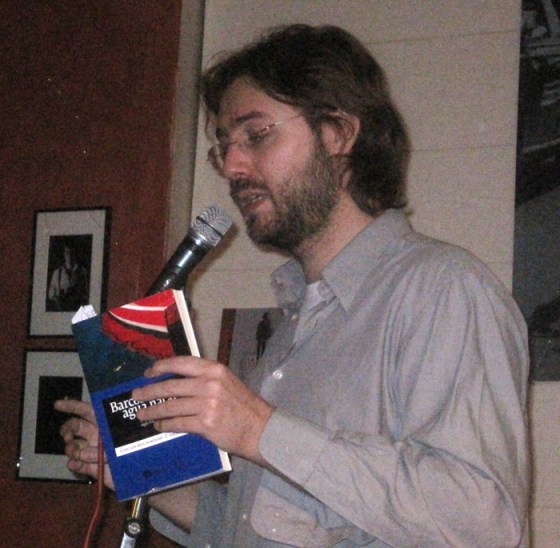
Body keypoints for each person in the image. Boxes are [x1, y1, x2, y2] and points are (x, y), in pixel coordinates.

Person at [56, 24, 530, 546]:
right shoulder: (295, 324)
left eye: (256, 135)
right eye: (224, 147)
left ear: (338, 133)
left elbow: (483, 522)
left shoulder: (444, 291)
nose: (232, 167)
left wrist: (258, 429)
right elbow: (246, 529)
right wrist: (138, 472)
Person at [47, 243, 89, 311]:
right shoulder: (57, 273)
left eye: (71, 253)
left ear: (74, 254)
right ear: (64, 254)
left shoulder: (82, 272)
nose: (69, 255)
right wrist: (59, 301)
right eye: (67, 253)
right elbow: (51, 295)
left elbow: (86, 294)